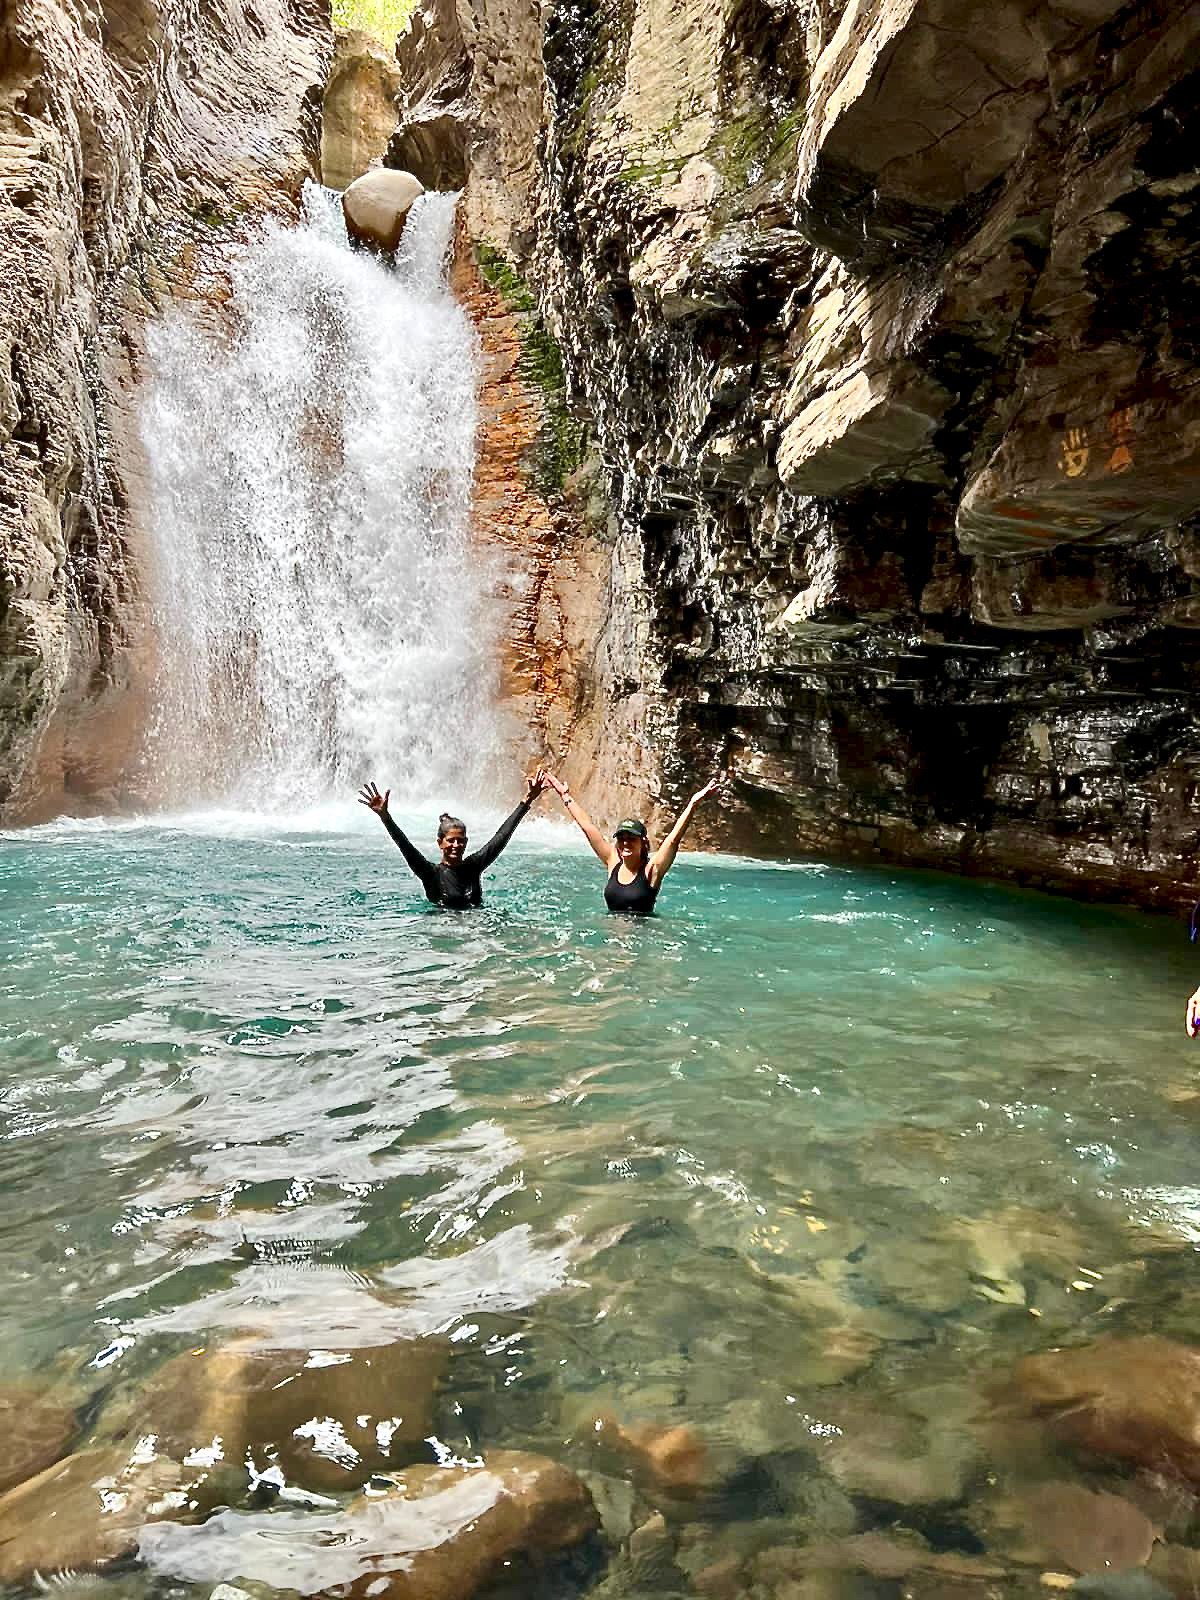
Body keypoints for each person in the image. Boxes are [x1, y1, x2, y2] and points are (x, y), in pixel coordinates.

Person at [358, 771, 548, 909]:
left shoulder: (473, 866)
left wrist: (527, 800)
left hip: (476, 933)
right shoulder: (431, 874)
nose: (456, 845)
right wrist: (385, 817)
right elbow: (404, 845)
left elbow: (501, 837)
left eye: (461, 841)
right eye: (451, 841)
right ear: (440, 842)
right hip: (445, 936)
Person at [543, 771, 723, 915]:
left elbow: (673, 839)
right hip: (611, 941)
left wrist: (693, 803)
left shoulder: (652, 870)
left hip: (639, 943)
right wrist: (565, 796)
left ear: (643, 842)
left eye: (631, 838)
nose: (625, 843)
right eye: (621, 838)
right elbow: (588, 827)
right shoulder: (612, 861)